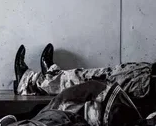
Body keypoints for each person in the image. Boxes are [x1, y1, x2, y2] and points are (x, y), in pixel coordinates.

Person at [14, 43, 156, 112]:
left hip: (148, 83)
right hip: (148, 77)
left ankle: (33, 82)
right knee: (104, 76)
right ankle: (48, 78)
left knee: (97, 81)